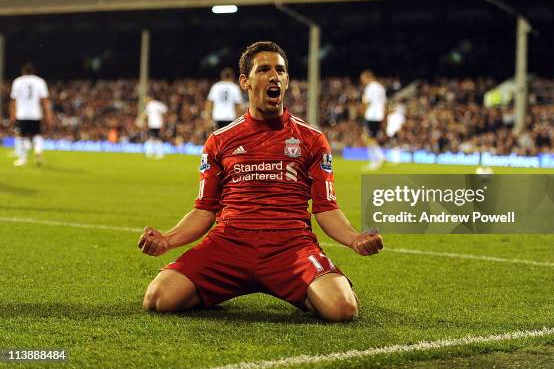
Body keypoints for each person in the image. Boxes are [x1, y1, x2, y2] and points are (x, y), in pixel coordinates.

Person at [138, 41, 383, 322]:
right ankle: (227, 286)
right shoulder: (219, 141)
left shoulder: (312, 139)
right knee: (158, 299)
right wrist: (167, 240)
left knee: (342, 309)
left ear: (287, 80)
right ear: (245, 81)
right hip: (229, 244)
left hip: (290, 247)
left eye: (280, 70)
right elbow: (205, 209)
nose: (274, 76)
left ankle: (319, 284)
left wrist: (354, 239)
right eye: (264, 69)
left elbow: (325, 208)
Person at [9, 63, 53, 166]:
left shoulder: (17, 81)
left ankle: (22, 159)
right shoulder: (40, 81)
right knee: (37, 134)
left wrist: (12, 115)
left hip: (22, 113)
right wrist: (49, 115)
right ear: (34, 71)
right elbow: (45, 101)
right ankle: (38, 151)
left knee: (20, 136)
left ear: (23, 71)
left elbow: (13, 101)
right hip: (36, 113)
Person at [360, 69, 387, 170]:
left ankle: (378, 158)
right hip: (379, 116)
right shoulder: (380, 87)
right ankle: (376, 160)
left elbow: (367, 102)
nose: (362, 81)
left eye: (363, 79)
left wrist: (362, 112)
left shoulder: (370, 87)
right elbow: (384, 102)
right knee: (369, 138)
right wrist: (383, 116)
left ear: (368, 77)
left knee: (368, 138)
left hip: (371, 115)